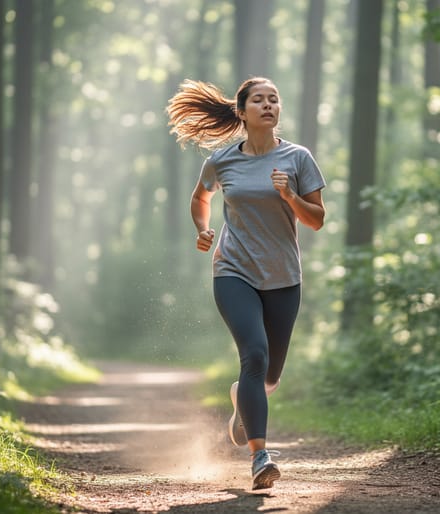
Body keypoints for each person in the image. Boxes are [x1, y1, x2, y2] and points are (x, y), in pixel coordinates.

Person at [166, 77, 326, 490]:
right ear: (242, 112)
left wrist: (290, 195)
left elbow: (317, 219)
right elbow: (201, 198)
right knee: (253, 355)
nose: (268, 105)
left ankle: (244, 403)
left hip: (284, 278)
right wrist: (202, 229)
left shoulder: (298, 158)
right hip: (233, 271)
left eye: (274, 99)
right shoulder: (221, 161)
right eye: (259, 100)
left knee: (268, 376)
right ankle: (260, 456)